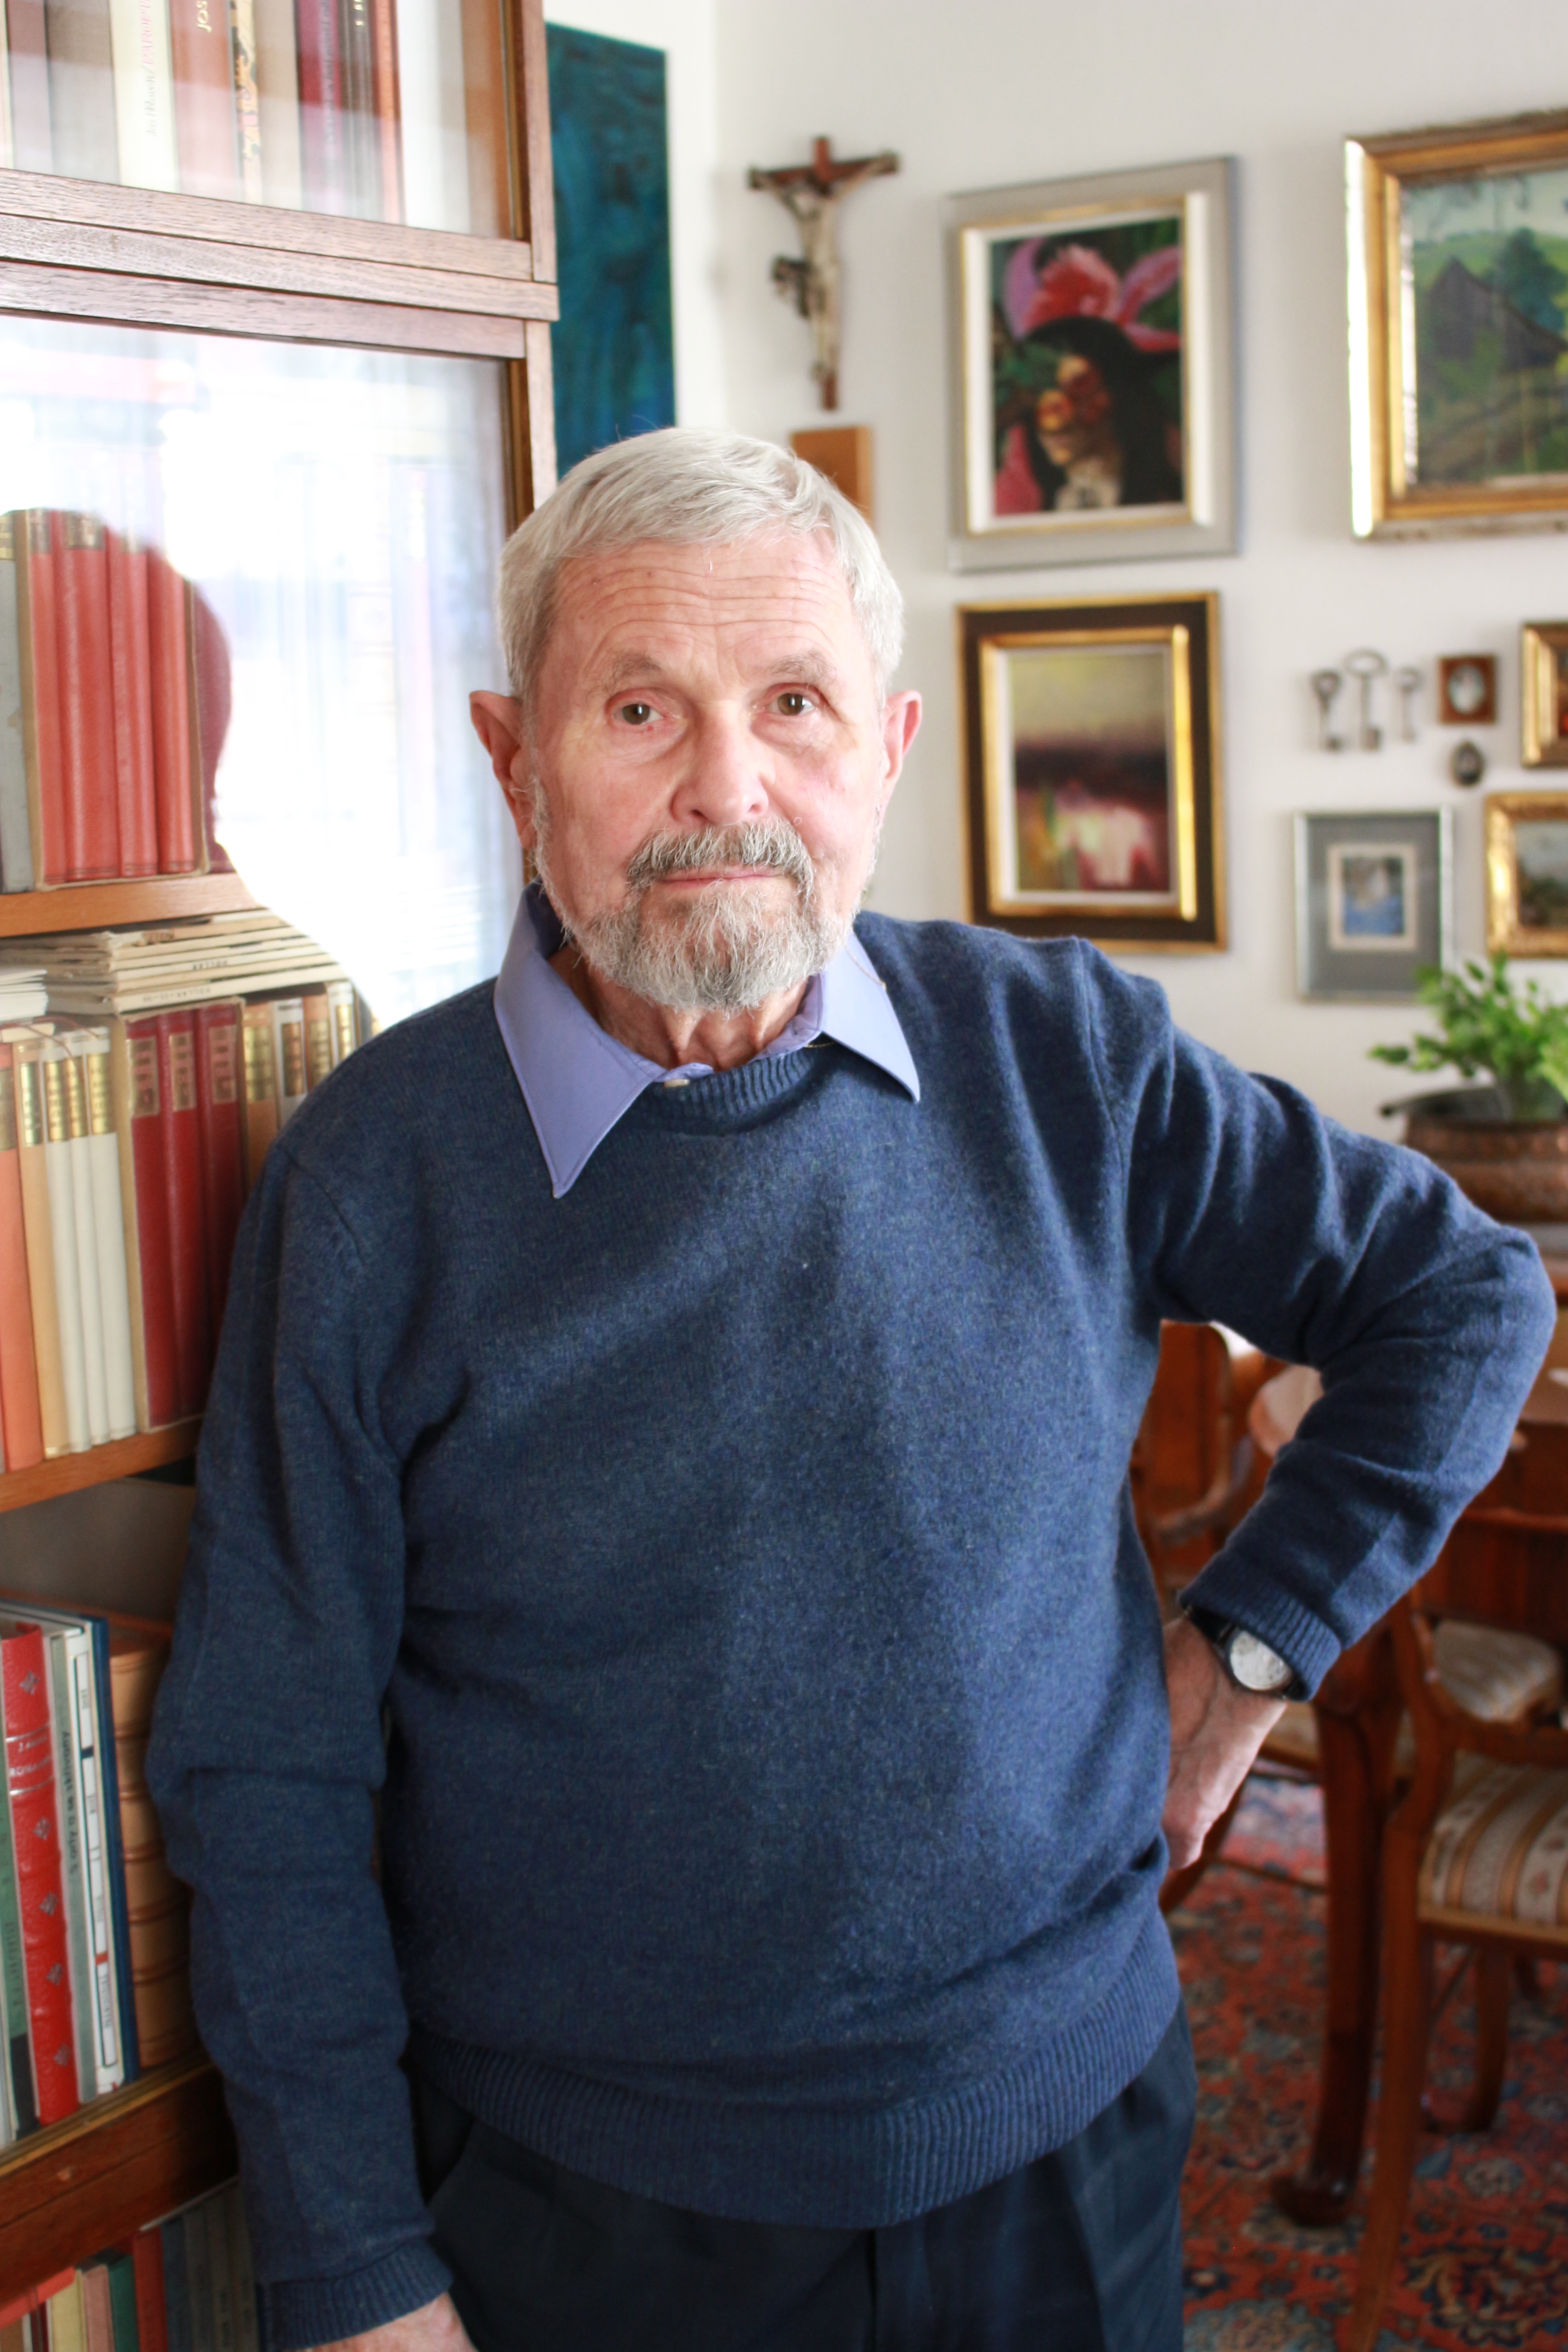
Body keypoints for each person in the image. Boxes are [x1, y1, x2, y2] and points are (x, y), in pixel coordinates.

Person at [147, 428, 1553, 2352]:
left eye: (793, 705)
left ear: (886, 752)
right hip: (594, 2213)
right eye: (641, 708)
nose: (727, 788)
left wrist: (1243, 1664)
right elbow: (267, 1767)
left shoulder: (1061, 1051)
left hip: (1068, 2146)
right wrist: (357, 2276)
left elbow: (1460, 1296)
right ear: (512, 757)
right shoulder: (371, 1184)